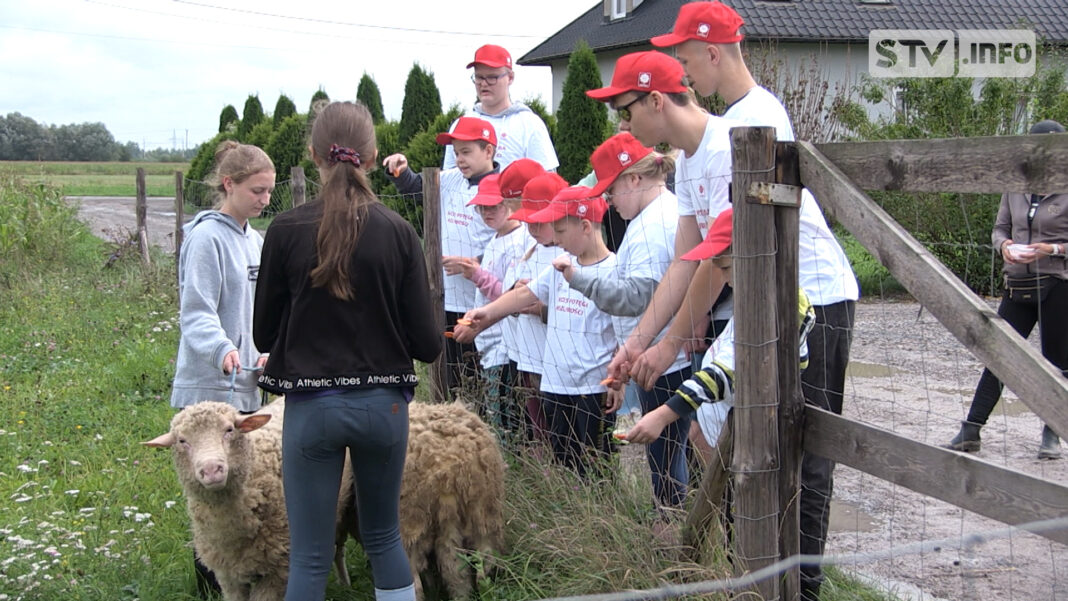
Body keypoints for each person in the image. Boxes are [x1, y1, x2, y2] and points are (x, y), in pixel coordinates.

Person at [649, 4, 860, 598]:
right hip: (766, 300)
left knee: (805, 452)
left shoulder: (758, 118)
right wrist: (656, 340)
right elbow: (700, 254)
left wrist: (667, 342)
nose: (685, 73)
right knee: (729, 429)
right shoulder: (723, 128)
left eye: (687, 59)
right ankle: (757, 572)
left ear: (713, 51)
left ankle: (801, 585)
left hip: (811, 297)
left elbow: (734, 246)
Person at [253, 101, 442, 601]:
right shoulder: (399, 232)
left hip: (311, 410)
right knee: (383, 538)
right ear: (375, 156)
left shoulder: (285, 230)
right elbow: (426, 345)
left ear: (314, 156)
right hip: (385, 407)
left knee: (311, 555)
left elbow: (263, 335)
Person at [562, 132, 693, 510]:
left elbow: (639, 296)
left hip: (663, 357)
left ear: (634, 179)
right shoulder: (659, 213)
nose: (607, 199)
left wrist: (580, 281)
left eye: (611, 189)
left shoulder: (652, 228)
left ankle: (668, 526)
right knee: (671, 449)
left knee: (666, 454)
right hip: (659, 350)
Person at [454, 187, 619, 478]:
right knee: (564, 466)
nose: (556, 237)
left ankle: (601, 518)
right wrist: (486, 315)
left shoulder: (614, 271)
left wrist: (616, 382)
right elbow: (524, 295)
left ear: (584, 226)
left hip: (593, 388)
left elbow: (622, 333)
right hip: (557, 386)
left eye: (560, 229)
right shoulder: (560, 267)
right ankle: (574, 516)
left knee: (597, 467)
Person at [170, 140, 274, 598]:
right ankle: (210, 582)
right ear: (228, 184)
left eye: (269, 192)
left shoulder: (255, 239)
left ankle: (245, 573)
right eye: (256, 190)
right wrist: (222, 349)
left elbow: (259, 309)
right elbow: (196, 311)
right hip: (210, 383)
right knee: (206, 488)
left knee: (239, 485)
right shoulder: (206, 238)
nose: (264, 200)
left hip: (245, 381)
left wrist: (264, 349)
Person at [626, 209, 816, 447]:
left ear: (753, 255)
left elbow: (725, 372)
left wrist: (662, 415)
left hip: (758, 449)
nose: (725, 280)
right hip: (732, 444)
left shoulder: (779, 309)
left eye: (725, 267)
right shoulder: (752, 300)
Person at [946, 119, 1068, 460]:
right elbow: (1000, 228)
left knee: (1057, 363)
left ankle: (1052, 434)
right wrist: (1005, 247)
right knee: (999, 356)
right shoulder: (1015, 185)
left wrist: (1052, 249)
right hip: (1017, 281)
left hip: (1059, 284)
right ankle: (971, 430)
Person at [383, 116, 499, 398]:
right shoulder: (447, 181)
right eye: (456, 153)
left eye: (467, 152)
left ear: (488, 151)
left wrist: (476, 266)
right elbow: (413, 186)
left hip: (484, 304)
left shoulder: (503, 189)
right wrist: (400, 169)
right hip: (444, 299)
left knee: (485, 379)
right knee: (451, 375)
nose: (460, 159)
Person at [457, 173, 534, 439]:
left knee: (506, 416)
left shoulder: (519, 240)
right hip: (489, 344)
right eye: (481, 207)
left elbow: (510, 296)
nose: (485, 212)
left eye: (493, 206)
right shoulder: (495, 239)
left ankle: (511, 464)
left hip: (504, 343)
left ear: (510, 203)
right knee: (496, 413)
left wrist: (477, 275)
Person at [501, 167, 567, 442]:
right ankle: (543, 475)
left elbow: (578, 311)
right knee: (536, 425)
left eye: (539, 222)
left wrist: (541, 309)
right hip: (528, 357)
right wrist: (514, 295)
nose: (531, 229)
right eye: (529, 221)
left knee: (560, 429)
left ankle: (564, 480)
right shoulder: (529, 251)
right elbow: (508, 295)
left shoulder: (569, 255)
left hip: (557, 362)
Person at [442, 44, 559, 172]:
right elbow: (449, 177)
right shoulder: (462, 124)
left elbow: (547, 178)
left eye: (492, 77)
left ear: (510, 78)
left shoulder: (529, 124)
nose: (484, 83)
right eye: (479, 77)